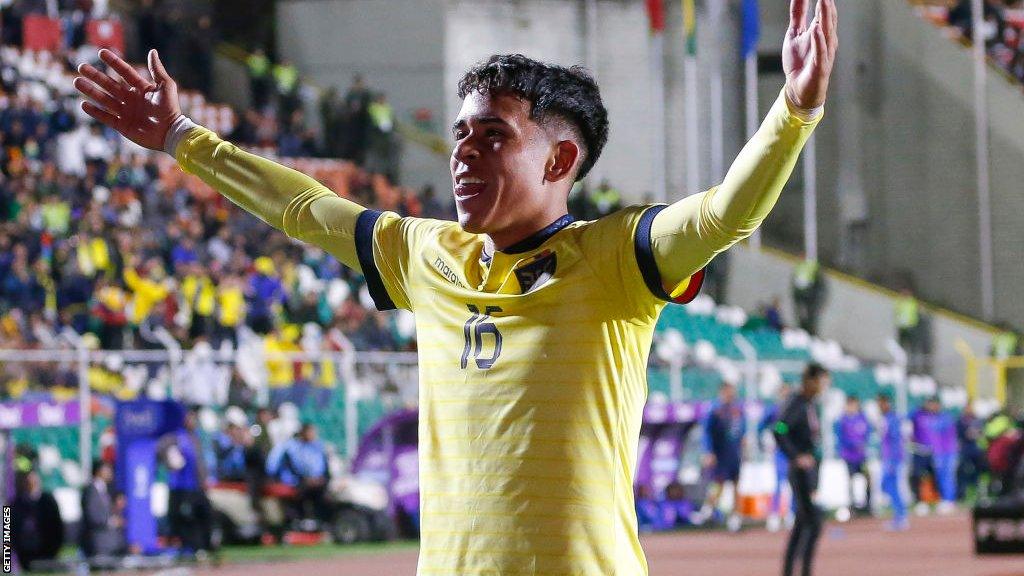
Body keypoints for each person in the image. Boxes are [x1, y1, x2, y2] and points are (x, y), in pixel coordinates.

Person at [72, 1, 837, 569]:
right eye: (461, 134)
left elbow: (726, 214)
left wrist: (794, 110)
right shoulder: (425, 254)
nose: (464, 152)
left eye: (493, 134)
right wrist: (181, 137)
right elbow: (305, 207)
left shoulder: (618, 258)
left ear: (559, 162)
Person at [774, 363, 831, 576]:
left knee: (803, 522)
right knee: (813, 521)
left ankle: (792, 571)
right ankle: (803, 571)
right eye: (823, 380)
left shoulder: (811, 404)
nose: (826, 385)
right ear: (812, 381)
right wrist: (796, 456)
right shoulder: (797, 402)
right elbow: (779, 428)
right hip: (799, 471)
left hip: (810, 470)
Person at [158, 406, 214, 556]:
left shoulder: (195, 437)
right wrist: (170, 458)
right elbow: (162, 451)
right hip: (180, 487)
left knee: (203, 515)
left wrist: (204, 480)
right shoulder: (175, 437)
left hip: (195, 486)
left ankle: (204, 546)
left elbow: (200, 463)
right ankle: (190, 546)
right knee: (184, 517)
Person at [700, 382, 746, 531]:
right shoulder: (715, 409)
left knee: (736, 485)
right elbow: (706, 432)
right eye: (728, 392)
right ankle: (708, 509)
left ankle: (735, 518)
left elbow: (742, 429)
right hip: (720, 453)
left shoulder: (738, 409)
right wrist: (708, 451)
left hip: (734, 453)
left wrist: (744, 442)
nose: (731, 395)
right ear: (722, 392)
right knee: (717, 484)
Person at [266, 422, 331, 527]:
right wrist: (306, 479)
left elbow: (324, 469)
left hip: (314, 481)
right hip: (296, 482)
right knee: (304, 492)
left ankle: (320, 522)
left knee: (322, 493)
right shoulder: (291, 448)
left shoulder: (317, 447)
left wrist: (322, 479)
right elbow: (292, 468)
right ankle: (300, 521)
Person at [911, 397, 958, 514]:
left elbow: (949, 437)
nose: (932, 407)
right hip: (937, 452)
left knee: (947, 476)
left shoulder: (945, 418)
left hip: (948, 452)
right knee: (940, 476)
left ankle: (949, 500)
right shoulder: (928, 417)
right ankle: (943, 500)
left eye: (934, 404)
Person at [11, 470, 64, 571]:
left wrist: (55, 548)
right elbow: (9, 528)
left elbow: (57, 526)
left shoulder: (48, 501)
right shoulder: (16, 503)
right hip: (25, 552)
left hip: (46, 551)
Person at [760, 384, 793, 532]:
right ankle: (774, 514)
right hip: (780, 452)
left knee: (793, 484)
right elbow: (764, 425)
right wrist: (769, 437)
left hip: (793, 451)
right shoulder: (775, 409)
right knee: (779, 483)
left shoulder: (794, 410)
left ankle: (791, 514)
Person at [80, 460, 127, 559]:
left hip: (112, 543)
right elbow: (93, 515)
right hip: (99, 544)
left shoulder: (105, 489)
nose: (110, 472)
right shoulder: (90, 490)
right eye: (107, 469)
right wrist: (112, 521)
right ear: (98, 471)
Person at [834, 396, 872, 516]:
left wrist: (864, 444)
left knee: (868, 478)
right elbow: (840, 438)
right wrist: (853, 445)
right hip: (849, 456)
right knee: (851, 480)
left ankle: (868, 505)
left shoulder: (863, 418)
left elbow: (868, 433)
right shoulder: (842, 420)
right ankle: (852, 506)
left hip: (862, 456)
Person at [877, 394, 908, 531]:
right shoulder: (885, 419)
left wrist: (892, 459)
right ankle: (899, 514)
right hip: (888, 458)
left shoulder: (892, 419)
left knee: (892, 486)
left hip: (892, 459)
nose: (880, 406)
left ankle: (901, 516)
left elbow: (896, 441)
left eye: (882, 403)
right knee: (886, 486)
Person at [791, 257, 825, 335]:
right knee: (804, 316)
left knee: (808, 317)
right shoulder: (805, 270)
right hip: (805, 297)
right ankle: (804, 331)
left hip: (808, 299)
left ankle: (807, 332)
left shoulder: (809, 272)